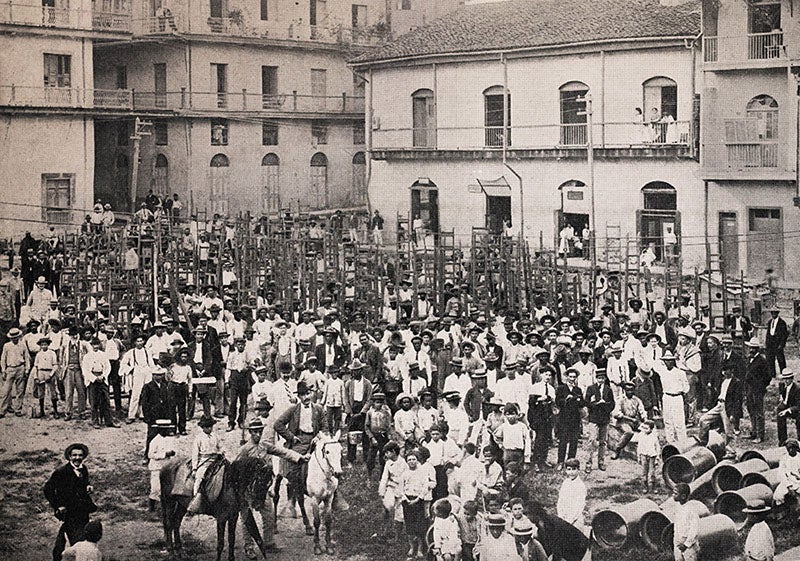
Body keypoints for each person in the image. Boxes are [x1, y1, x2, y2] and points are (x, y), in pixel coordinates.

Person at [236, 416, 308, 557]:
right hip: (248, 488)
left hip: (263, 488)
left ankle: (268, 543)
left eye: (259, 432)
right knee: (246, 518)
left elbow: (282, 452)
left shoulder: (265, 445)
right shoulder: (244, 449)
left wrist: (299, 457)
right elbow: (236, 467)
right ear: (250, 433)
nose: (257, 434)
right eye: (254, 432)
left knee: (268, 516)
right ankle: (249, 546)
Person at [43, 443, 98, 561]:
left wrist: (88, 487)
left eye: (80, 455)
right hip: (69, 511)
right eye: (74, 455)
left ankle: (62, 556)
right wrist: (58, 505)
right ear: (69, 456)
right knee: (74, 538)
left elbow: (84, 482)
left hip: (83, 510)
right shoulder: (61, 472)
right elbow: (48, 489)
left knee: (74, 536)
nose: (77, 458)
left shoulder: (83, 468)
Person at [398, 449, 431, 560]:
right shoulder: (404, 474)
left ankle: (420, 548)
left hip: (418, 501)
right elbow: (400, 488)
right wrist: (405, 499)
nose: (412, 462)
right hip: (407, 501)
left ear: (417, 460)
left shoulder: (422, 473)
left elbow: (425, 487)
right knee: (409, 525)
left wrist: (418, 499)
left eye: (414, 459)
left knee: (420, 525)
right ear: (406, 462)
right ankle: (412, 547)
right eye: (409, 460)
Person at [187, 415, 224, 514]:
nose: (209, 429)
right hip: (204, 460)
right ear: (202, 428)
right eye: (207, 427)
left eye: (211, 426)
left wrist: (221, 452)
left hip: (216, 459)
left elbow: (220, 447)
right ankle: (196, 500)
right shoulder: (198, 438)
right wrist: (195, 468)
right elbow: (195, 454)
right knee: (199, 477)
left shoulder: (215, 436)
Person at [141, 367, 175, 457]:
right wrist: (147, 417)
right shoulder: (147, 386)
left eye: (160, 375)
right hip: (153, 415)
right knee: (152, 435)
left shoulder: (164, 386)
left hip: (163, 414)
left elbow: (167, 402)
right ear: (153, 376)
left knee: (163, 434)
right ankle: (147, 454)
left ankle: (162, 453)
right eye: (157, 375)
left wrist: (169, 416)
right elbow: (144, 403)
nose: (159, 377)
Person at [585, 368, 614, 471]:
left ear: (605, 379)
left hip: (604, 418)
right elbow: (587, 402)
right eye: (599, 378)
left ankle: (601, 462)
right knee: (592, 440)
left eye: (602, 378)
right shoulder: (591, 388)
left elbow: (612, 404)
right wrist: (596, 405)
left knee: (603, 441)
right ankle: (588, 463)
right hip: (594, 418)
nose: (601, 380)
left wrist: (605, 405)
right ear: (596, 378)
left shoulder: (608, 389)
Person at [656, 351, 688, 444]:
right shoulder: (662, 372)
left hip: (677, 397)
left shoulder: (680, 372)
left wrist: (682, 392)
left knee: (679, 421)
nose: (668, 362)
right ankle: (671, 442)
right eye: (666, 360)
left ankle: (682, 443)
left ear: (673, 361)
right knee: (668, 420)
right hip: (666, 397)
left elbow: (686, 386)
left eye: (670, 360)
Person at [555, 368, 584, 469]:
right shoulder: (561, 388)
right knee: (563, 440)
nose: (572, 379)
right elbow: (558, 402)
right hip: (564, 418)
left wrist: (577, 399)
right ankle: (560, 462)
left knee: (574, 441)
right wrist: (566, 399)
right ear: (567, 377)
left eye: (574, 377)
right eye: (570, 377)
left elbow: (582, 403)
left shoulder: (578, 390)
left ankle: (571, 462)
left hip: (575, 419)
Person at [744, 337, 771, 443]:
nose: (751, 350)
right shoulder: (749, 359)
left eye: (754, 348)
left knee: (759, 412)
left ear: (758, 349)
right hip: (749, 389)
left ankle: (760, 435)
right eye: (750, 347)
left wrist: (760, 386)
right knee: (751, 410)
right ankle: (754, 432)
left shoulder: (762, 361)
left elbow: (768, 377)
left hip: (757, 390)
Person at [0, 327, 30, 417]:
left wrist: (27, 369)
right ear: (10, 338)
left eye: (16, 337)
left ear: (19, 336)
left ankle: (18, 409)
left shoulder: (23, 345)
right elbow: (3, 359)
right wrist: (3, 370)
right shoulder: (7, 346)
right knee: (6, 391)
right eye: (13, 338)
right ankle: (2, 410)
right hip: (10, 369)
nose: (14, 339)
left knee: (20, 390)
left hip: (20, 368)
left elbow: (27, 358)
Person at [147, 419, 176, 512]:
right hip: (156, 467)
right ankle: (151, 507)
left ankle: (166, 506)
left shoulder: (169, 440)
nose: (167, 431)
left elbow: (173, 450)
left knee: (168, 487)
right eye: (165, 429)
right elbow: (150, 455)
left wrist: (172, 453)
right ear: (160, 430)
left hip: (166, 467)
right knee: (156, 487)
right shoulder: (154, 441)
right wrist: (164, 454)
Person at [32, 336, 60, 418]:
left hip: (49, 372)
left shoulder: (52, 353)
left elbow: (55, 365)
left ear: (48, 345)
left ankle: (55, 411)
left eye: (45, 344)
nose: (44, 346)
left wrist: (50, 375)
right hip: (41, 372)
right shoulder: (38, 354)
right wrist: (36, 377)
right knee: (41, 393)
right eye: (42, 345)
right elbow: (35, 367)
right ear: (40, 346)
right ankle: (42, 411)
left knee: (53, 393)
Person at [557, 458, 586, 534]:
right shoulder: (565, 483)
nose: (571, 472)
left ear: (578, 469)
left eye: (574, 469)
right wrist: (561, 516)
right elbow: (560, 501)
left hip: (575, 520)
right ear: (566, 470)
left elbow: (579, 506)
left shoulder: (581, 486)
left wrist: (569, 521)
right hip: (564, 517)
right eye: (569, 469)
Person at [672, 483, 699, 561]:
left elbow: (694, 530)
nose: (673, 495)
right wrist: (676, 541)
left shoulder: (691, 510)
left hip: (689, 545)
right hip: (678, 542)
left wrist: (686, 544)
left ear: (683, 496)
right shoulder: (678, 507)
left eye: (675, 494)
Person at [773, 439, 800, 514]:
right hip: (787, 481)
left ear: (796, 448)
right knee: (778, 496)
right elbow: (781, 474)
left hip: (798, 481)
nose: (790, 450)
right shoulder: (784, 459)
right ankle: (782, 513)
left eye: (792, 448)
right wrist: (788, 486)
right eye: (788, 448)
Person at [777, 367, 800, 446]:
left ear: (792, 379)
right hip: (786, 405)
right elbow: (782, 396)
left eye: (788, 379)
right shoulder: (782, 385)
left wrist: (787, 410)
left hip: (796, 409)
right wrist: (781, 399)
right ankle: (782, 440)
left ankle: (799, 441)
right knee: (779, 412)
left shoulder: (797, 389)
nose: (786, 381)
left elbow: (798, 406)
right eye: (784, 379)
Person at [765, 306, 788, 378]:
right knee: (770, 359)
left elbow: (784, 335)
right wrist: (767, 343)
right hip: (770, 343)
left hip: (778, 343)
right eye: (772, 313)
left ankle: (784, 373)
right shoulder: (770, 322)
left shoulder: (782, 323)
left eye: (775, 313)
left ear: (777, 313)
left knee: (780, 359)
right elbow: (768, 333)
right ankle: (772, 374)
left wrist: (781, 344)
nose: (773, 314)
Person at [638, 419, 660, 492]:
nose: (645, 430)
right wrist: (639, 457)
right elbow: (639, 446)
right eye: (643, 428)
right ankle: (644, 486)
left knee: (652, 471)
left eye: (646, 428)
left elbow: (657, 447)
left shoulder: (654, 436)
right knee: (644, 471)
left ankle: (652, 486)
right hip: (643, 455)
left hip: (652, 456)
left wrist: (657, 457)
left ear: (651, 429)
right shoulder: (641, 436)